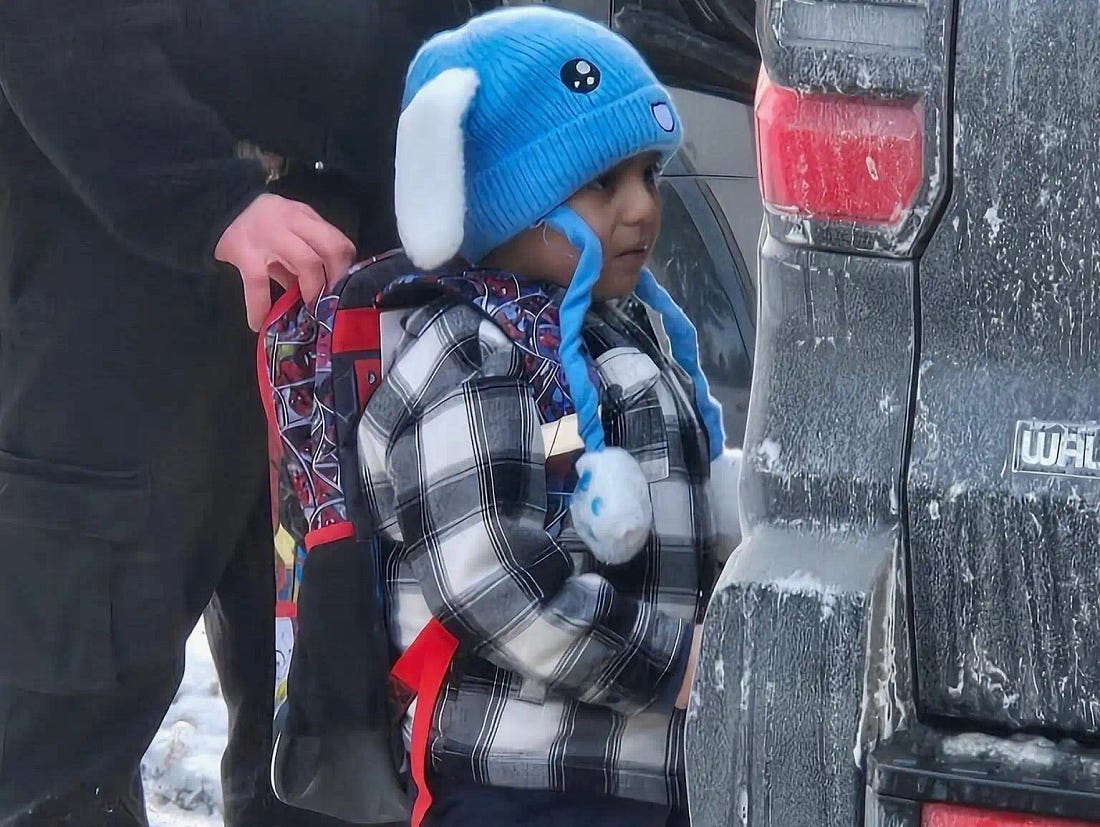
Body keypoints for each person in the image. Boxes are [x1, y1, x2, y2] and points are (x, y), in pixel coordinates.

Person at [0, 1, 468, 824]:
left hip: (356, 273)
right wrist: (207, 196)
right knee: (63, 738)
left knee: (330, 733)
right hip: (113, 280)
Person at [351, 8, 740, 826]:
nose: (641, 208)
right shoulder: (469, 352)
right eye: (603, 182)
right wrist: (676, 665)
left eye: (649, 175)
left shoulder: (625, 329)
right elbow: (491, 583)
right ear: (510, 199)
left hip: (635, 775)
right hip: (517, 783)